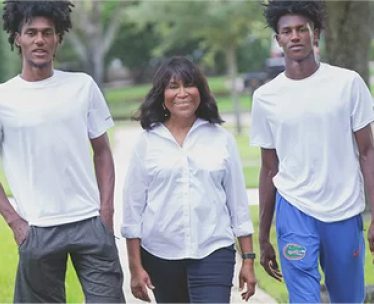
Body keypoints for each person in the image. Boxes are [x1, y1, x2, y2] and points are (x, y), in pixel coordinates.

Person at [0, 1, 125, 302]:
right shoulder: (3, 98)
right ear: (17, 37)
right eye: (31, 33)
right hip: (38, 228)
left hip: (90, 224)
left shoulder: (82, 86)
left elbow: (103, 152)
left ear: (58, 37)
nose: (40, 40)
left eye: (47, 32)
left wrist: (106, 212)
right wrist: (15, 222)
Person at [250, 1, 374, 303]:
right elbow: (269, 168)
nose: (294, 36)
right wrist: (264, 235)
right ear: (278, 39)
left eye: (301, 29)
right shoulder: (265, 98)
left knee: (348, 298)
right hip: (295, 209)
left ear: (314, 34)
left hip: (343, 209)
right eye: (286, 31)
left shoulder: (348, 83)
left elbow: (368, 153)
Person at [121, 56, 256, 303]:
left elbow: (238, 206)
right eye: (173, 86)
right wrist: (134, 268)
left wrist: (248, 260)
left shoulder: (221, 139)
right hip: (160, 255)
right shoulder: (147, 142)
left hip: (213, 250)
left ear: (200, 91)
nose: (182, 93)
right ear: (162, 94)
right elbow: (132, 211)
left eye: (189, 85)